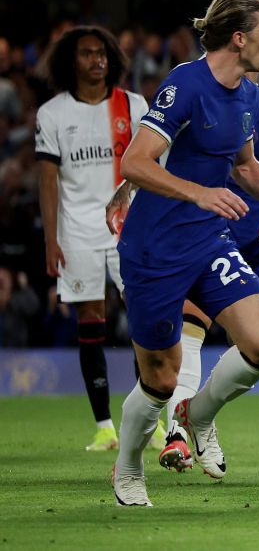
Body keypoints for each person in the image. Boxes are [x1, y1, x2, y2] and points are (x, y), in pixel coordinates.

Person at [110, 0, 259, 506]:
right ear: (239, 38)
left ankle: (197, 415)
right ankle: (128, 466)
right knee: (159, 379)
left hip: (209, 242)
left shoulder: (249, 95)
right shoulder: (186, 84)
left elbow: (246, 166)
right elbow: (136, 163)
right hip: (154, 249)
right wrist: (199, 192)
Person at [35, 25, 152, 452]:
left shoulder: (133, 105)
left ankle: (151, 421)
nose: (96, 60)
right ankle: (104, 425)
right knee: (91, 322)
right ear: (71, 61)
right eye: (86, 54)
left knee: (145, 317)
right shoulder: (52, 114)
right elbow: (47, 182)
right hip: (78, 230)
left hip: (129, 226)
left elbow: (153, 165)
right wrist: (52, 239)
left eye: (102, 53)